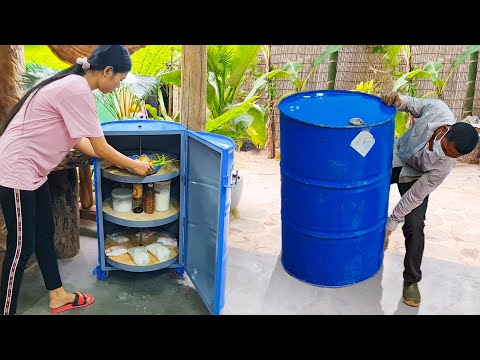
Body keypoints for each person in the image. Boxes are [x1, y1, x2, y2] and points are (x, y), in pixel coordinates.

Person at [0, 45, 154, 315]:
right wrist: (133, 165)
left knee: (46, 234)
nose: (118, 86)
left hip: (33, 172)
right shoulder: (77, 89)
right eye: (119, 79)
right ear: (107, 71)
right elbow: (101, 145)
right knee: (21, 247)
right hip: (16, 171)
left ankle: (57, 295)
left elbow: (81, 140)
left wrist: (116, 161)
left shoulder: (75, 85)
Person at [381, 91, 479, 308]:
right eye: (445, 149)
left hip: (415, 177)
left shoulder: (444, 166)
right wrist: (399, 100)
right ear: (444, 130)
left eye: (452, 156)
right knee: (362, 190)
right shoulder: (438, 111)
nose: (444, 156)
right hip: (395, 155)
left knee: (415, 226)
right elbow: (412, 104)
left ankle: (411, 281)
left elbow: (414, 196)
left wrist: (390, 226)